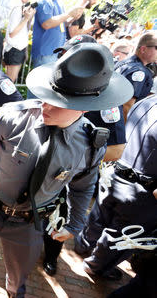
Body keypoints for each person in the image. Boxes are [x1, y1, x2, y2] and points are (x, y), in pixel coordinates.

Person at [0, 43, 134, 297]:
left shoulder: (90, 145)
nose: (45, 106)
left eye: (58, 103)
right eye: (48, 96)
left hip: (28, 224)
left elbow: (83, 186)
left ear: (86, 106)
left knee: (18, 281)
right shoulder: (13, 116)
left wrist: (75, 224)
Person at [41, 34, 126, 277]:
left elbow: (117, 148)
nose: (61, 61)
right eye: (62, 55)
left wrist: (80, 160)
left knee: (57, 222)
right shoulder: (53, 80)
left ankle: (50, 256)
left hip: (66, 173)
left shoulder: (103, 97)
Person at [75, 94, 157, 282]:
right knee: (119, 235)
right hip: (141, 190)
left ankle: (83, 245)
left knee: (100, 216)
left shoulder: (149, 100)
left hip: (116, 173)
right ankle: (95, 266)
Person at [31, 0, 84, 69]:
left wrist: (73, 19)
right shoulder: (45, 1)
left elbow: (60, 24)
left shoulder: (59, 2)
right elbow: (47, 24)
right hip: (45, 53)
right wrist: (69, 14)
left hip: (56, 52)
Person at [114, 31, 156, 120]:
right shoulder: (139, 72)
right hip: (117, 122)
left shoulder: (124, 62)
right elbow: (127, 106)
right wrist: (126, 130)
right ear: (143, 49)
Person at [2, 0, 35, 83]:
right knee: (9, 82)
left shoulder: (24, 8)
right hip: (14, 49)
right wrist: (26, 19)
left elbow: (24, 31)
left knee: (10, 80)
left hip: (19, 49)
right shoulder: (17, 8)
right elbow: (12, 33)